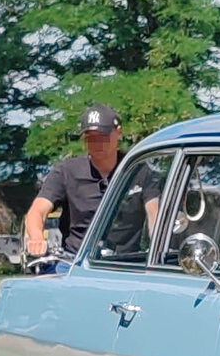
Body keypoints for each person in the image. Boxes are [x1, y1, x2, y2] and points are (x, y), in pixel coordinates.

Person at [23, 104, 159, 271]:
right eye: (90, 138)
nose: (97, 143)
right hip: (76, 262)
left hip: (126, 263)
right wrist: (36, 238)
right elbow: (37, 211)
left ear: (118, 132)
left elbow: (155, 215)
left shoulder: (138, 170)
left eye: (103, 136)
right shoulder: (66, 171)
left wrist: (158, 252)